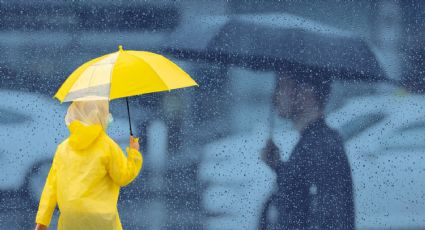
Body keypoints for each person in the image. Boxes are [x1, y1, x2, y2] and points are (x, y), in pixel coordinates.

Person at [260, 68, 355, 229]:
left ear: (307, 92)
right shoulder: (312, 142)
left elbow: (330, 217)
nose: (275, 97)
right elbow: (301, 193)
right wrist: (278, 166)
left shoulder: (322, 147)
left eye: (282, 86)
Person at [34, 100, 143, 230]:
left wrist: (42, 221)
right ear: (100, 116)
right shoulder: (108, 146)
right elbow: (123, 176)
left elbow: (51, 188)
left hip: (70, 219)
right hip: (101, 220)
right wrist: (134, 153)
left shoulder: (63, 149)